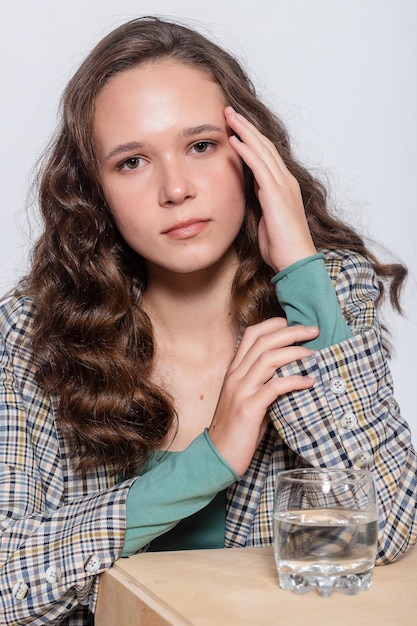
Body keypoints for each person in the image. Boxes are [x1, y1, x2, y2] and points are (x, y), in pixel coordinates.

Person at [0, 14, 416, 625]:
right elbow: (6, 580)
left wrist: (301, 266)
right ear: (95, 190)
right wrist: (208, 462)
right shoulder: (32, 331)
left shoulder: (329, 290)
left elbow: (386, 530)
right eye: (132, 162)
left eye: (201, 145)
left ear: (252, 156)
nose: (176, 189)